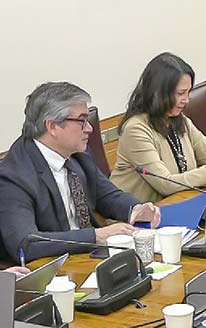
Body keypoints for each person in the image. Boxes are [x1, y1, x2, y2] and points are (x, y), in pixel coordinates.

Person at [0, 82, 160, 263]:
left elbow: (107, 195)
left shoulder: (77, 154)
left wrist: (135, 209)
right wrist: (95, 236)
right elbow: (26, 244)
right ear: (52, 126)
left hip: (90, 259)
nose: (90, 128)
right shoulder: (13, 177)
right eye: (82, 120)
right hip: (54, 270)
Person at [110, 52, 206, 203]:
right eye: (180, 93)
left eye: (188, 93)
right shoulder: (136, 129)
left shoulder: (180, 120)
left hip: (178, 204)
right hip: (139, 218)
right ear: (158, 93)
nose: (186, 100)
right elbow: (166, 184)